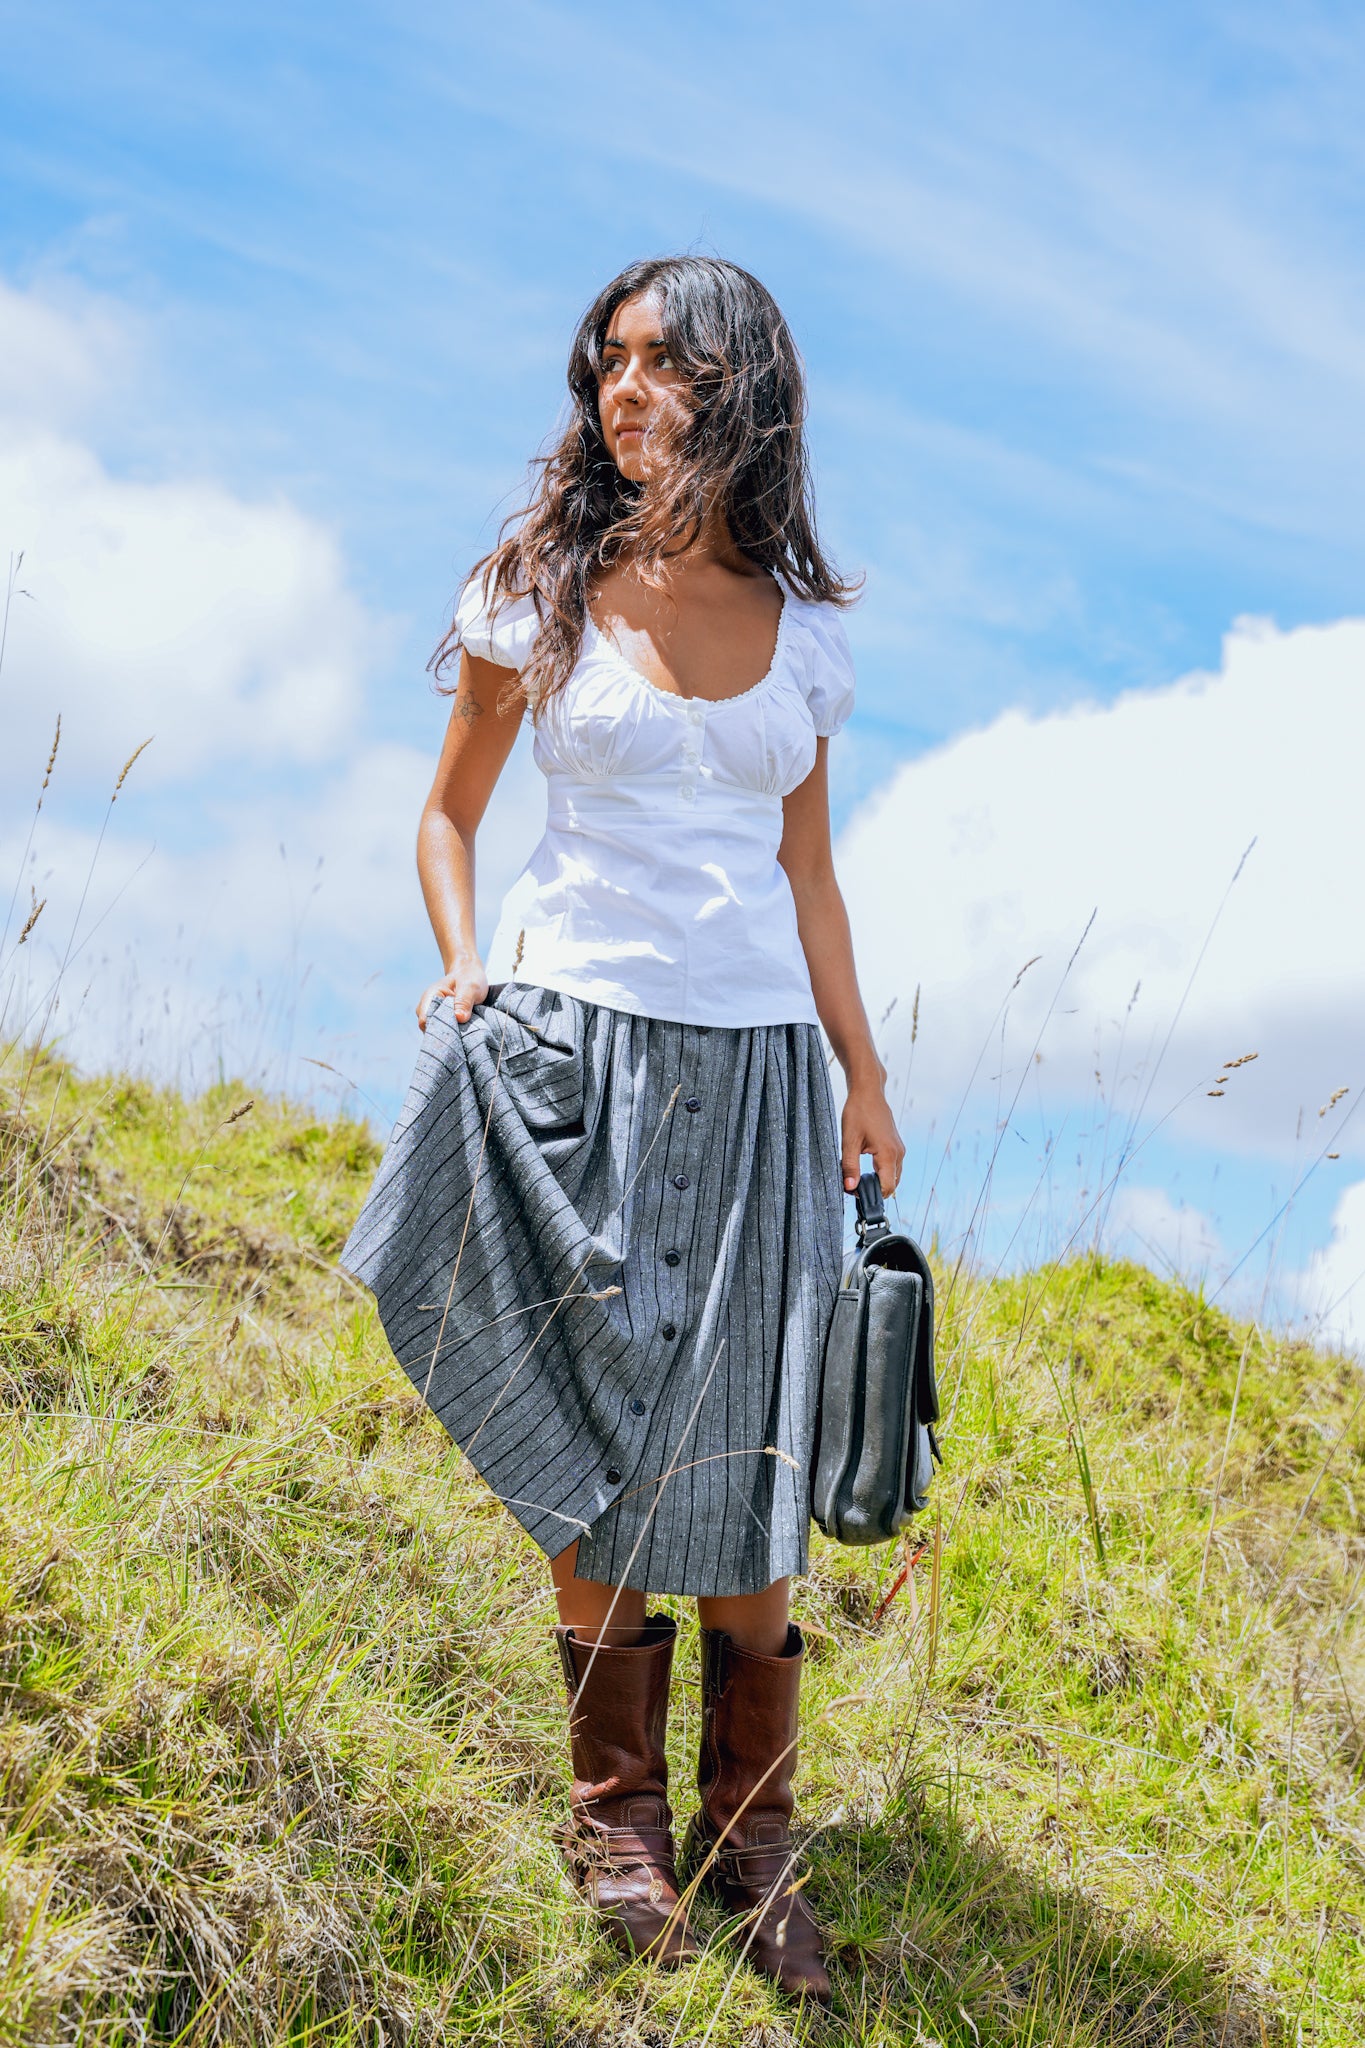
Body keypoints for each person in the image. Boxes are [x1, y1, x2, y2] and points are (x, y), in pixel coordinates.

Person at [343, 256, 903, 2003]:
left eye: (661, 364)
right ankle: (617, 1832)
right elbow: (447, 821)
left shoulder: (807, 641)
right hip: (574, 1042)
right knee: (596, 1424)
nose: (623, 390)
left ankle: (754, 1849)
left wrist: (862, 1073)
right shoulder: (541, 593)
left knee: (746, 1466)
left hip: (755, 1077)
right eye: (609, 364)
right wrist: (460, 972)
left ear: (739, 388)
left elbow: (807, 878)